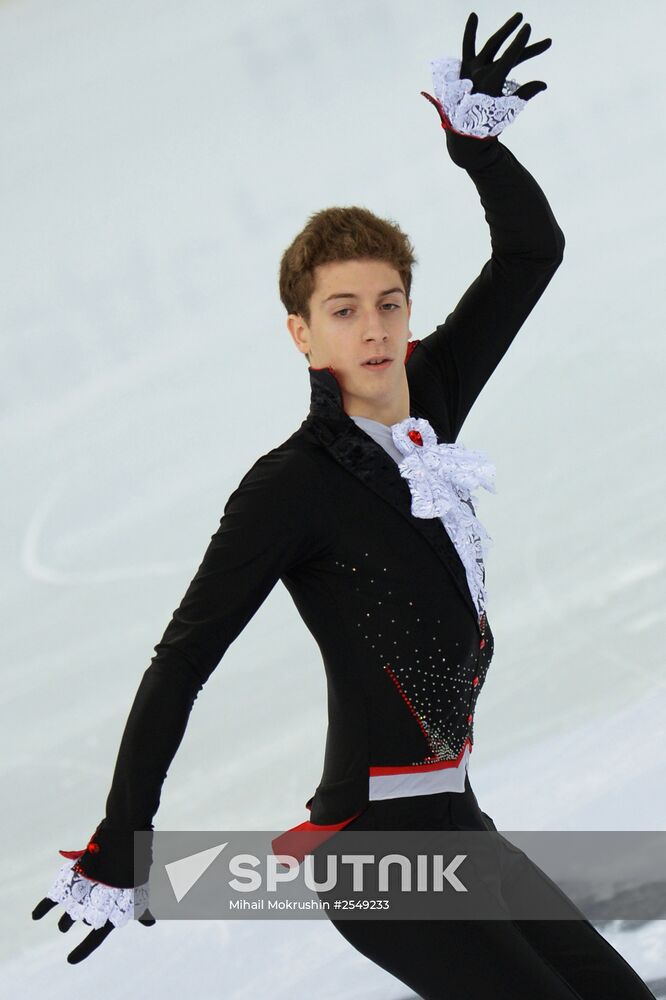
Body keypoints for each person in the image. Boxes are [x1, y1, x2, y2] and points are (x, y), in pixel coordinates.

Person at [32, 10, 657, 997]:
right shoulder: (292, 486)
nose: (372, 329)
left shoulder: (433, 396)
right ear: (303, 335)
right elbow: (182, 659)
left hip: (455, 824)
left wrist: (476, 148)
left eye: (387, 303)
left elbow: (534, 251)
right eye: (342, 310)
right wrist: (123, 834)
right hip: (376, 859)